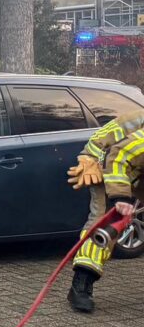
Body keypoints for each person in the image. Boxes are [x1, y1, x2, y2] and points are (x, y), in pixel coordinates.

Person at [66, 110, 144, 313]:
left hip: (137, 169)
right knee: (103, 225)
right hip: (106, 163)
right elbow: (119, 156)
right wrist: (121, 198)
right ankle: (81, 284)